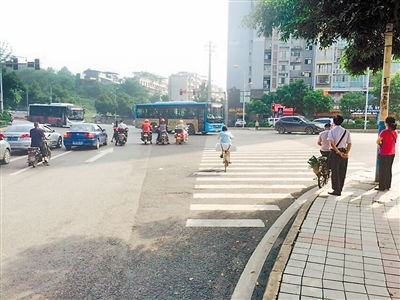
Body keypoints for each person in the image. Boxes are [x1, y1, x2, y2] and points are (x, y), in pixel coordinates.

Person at [327, 115, 351, 196]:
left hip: (335, 153)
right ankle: (340, 188)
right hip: (344, 152)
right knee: (342, 171)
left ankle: (336, 190)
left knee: (335, 172)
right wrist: (346, 153)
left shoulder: (331, 131)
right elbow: (349, 143)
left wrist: (338, 152)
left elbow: (332, 143)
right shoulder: (346, 131)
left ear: (333, 122)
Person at [376, 117, 398, 191]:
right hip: (392, 153)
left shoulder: (384, 132)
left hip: (384, 153)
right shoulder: (395, 132)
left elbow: (378, 141)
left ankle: (381, 186)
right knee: (388, 169)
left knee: (382, 170)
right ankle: (387, 185)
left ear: (387, 123)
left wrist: (381, 144)